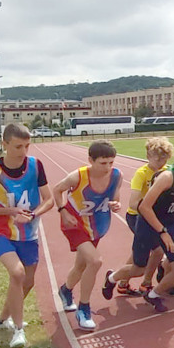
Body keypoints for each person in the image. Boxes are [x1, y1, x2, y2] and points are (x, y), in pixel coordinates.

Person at [102, 142, 174, 313]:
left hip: (170, 224)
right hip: (148, 224)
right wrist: (162, 232)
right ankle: (111, 278)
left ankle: (153, 295)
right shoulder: (167, 178)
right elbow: (144, 207)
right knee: (138, 269)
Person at [0, 124, 55, 348]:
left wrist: (33, 214)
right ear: (5, 144)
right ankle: (19, 331)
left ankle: (2, 319)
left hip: (28, 233)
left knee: (27, 282)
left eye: (27, 145)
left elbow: (49, 199)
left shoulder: (35, 165)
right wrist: (10, 211)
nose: (23, 151)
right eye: (18, 146)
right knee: (17, 273)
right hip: (0, 231)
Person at [53, 140, 122, 331]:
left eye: (111, 162)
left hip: (96, 225)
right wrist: (63, 211)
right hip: (74, 225)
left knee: (81, 265)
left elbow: (116, 197)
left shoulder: (117, 175)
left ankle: (65, 290)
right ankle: (84, 309)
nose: (108, 167)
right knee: (95, 261)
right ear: (91, 160)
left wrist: (116, 204)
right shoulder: (77, 177)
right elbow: (57, 190)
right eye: (103, 163)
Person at [118, 137, 172, 297]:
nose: (162, 162)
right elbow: (134, 202)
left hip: (155, 218)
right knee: (157, 250)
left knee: (140, 251)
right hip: (137, 217)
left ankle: (123, 283)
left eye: (165, 158)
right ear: (148, 156)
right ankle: (146, 283)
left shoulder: (167, 172)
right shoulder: (141, 174)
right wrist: (148, 208)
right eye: (158, 158)